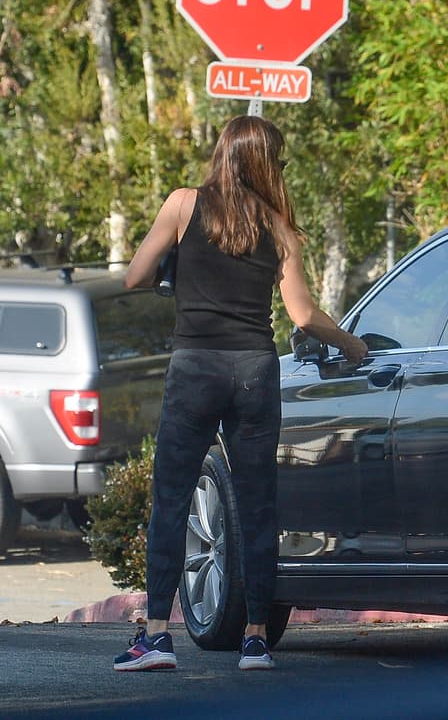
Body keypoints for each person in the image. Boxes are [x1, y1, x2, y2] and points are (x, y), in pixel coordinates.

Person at [114, 116, 367, 671]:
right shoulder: (279, 229)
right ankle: (255, 640)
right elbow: (302, 314)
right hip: (254, 370)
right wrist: (350, 344)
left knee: (173, 501)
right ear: (266, 164)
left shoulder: (183, 204)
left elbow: (135, 276)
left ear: (222, 154)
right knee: (257, 504)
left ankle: (156, 637)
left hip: (195, 368)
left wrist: (174, 271)